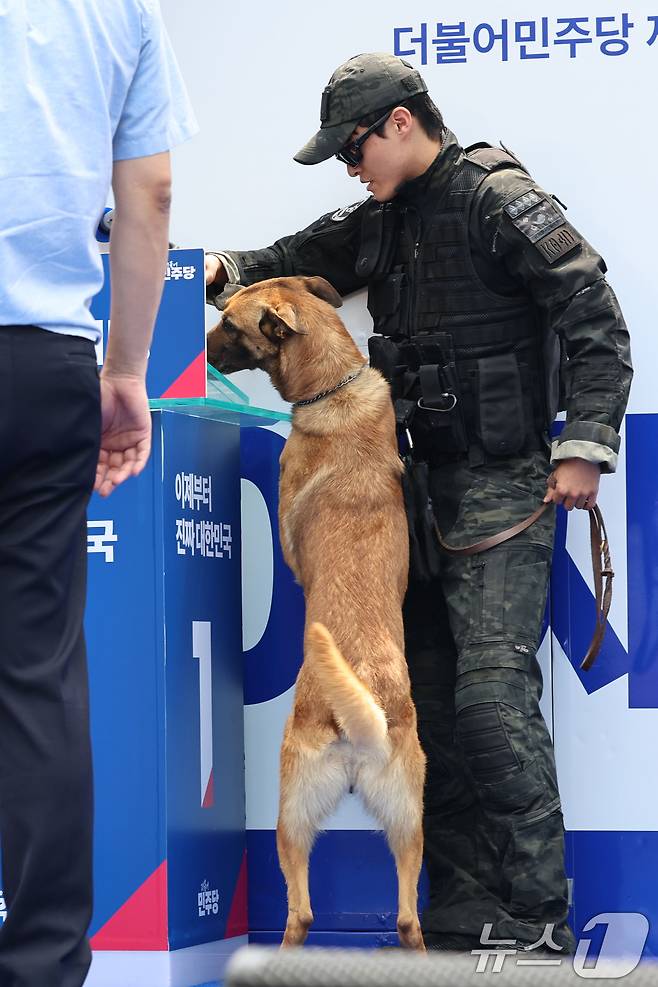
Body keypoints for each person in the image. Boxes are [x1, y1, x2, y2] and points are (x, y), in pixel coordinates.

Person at [205, 53, 632, 952]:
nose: (347, 167)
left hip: (503, 486)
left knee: (488, 697)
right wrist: (221, 267)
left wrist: (586, 442)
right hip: (409, 487)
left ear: (401, 123)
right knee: (427, 702)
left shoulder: (495, 196)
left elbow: (591, 309)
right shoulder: (382, 217)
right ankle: (465, 905)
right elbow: (290, 262)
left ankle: (540, 913)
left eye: (352, 147)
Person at [0, 3, 197, 985]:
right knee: (34, 677)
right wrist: (125, 368)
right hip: (42, 363)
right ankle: (40, 967)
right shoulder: (117, 5)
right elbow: (150, 192)